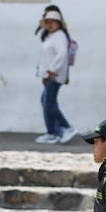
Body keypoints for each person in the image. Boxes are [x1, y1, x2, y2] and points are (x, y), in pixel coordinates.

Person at [36, 9, 77, 144]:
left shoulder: (59, 36)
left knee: (49, 103)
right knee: (46, 102)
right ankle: (52, 133)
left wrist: (52, 70)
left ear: (59, 23)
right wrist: (43, 74)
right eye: (48, 22)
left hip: (55, 75)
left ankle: (66, 127)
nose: (50, 24)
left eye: (53, 22)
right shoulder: (50, 36)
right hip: (49, 75)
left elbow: (62, 55)